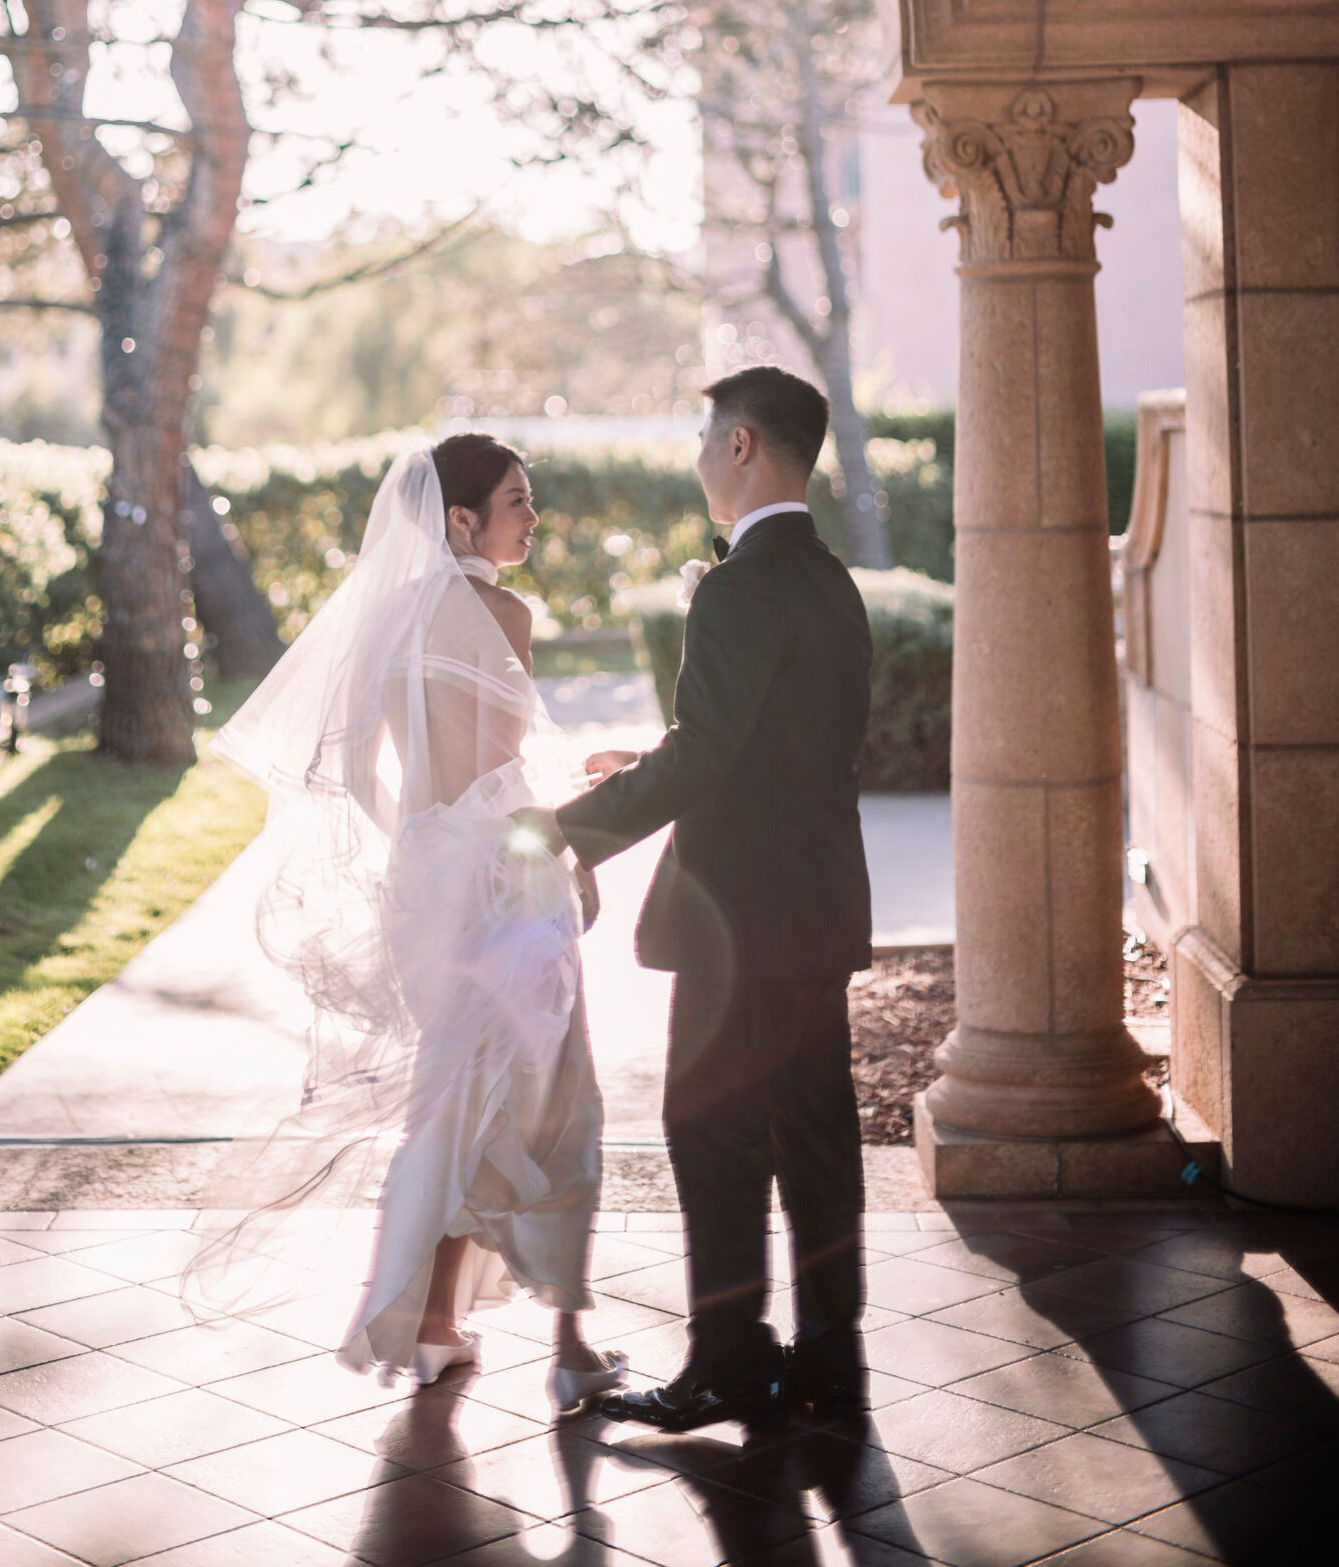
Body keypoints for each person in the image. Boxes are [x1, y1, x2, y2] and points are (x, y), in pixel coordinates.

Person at [201, 433, 627, 1409]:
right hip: (507, 881)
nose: (532, 517)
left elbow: (358, 775)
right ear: (461, 519)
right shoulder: (505, 614)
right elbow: (511, 772)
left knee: (453, 1102)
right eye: (516, 501)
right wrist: (577, 838)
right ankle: (569, 1349)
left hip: (429, 880)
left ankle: (432, 1323)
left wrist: (426, 844)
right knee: (552, 1099)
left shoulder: (385, 619)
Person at [551, 366, 874, 1429]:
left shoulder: (740, 585)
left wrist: (567, 830)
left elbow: (709, 753)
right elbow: (768, 742)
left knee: (712, 1132)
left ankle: (730, 1362)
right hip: (817, 908)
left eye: (705, 438)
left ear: (741, 444)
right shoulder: (831, 578)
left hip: (740, 923)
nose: (698, 459)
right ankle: (829, 1355)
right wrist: (646, 759)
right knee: (815, 1138)